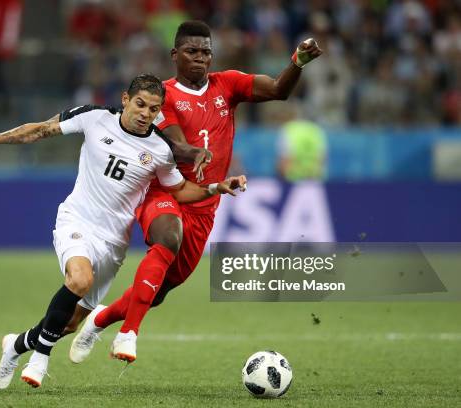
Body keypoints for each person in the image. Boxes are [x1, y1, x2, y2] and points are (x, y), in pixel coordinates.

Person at [0, 73, 246, 389]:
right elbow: (40, 130)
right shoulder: (94, 117)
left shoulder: (160, 148)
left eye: (153, 108)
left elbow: (180, 190)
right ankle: (41, 356)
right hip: (77, 220)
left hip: (114, 240)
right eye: (140, 104)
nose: (145, 114)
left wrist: (216, 187)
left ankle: (15, 346)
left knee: (71, 322)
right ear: (125, 99)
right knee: (79, 279)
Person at [68, 20, 322, 364]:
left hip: (205, 202)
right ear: (175, 55)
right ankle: (129, 334)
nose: (200, 58)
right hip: (166, 191)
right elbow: (173, 144)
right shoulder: (163, 95)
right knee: (168, 237)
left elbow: (278, 89)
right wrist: (195, 154)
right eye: (192, 52)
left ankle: (100, 320)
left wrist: (298, 62)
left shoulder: (227, 85)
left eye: (206, 52)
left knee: (159, 290)